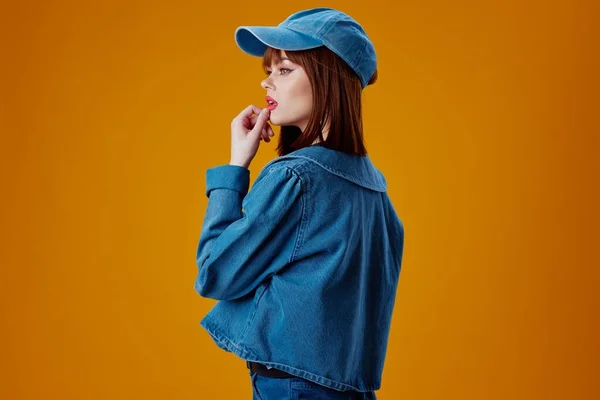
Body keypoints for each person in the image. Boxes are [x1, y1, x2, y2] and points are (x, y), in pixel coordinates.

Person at [194, 7, 404, 400]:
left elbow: (215, 273)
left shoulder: (296, 177)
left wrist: (236, 166)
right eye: (269, 69)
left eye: (284, 69)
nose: (267, 81)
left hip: (293, 389)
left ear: (328, 79)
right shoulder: (376, 192)